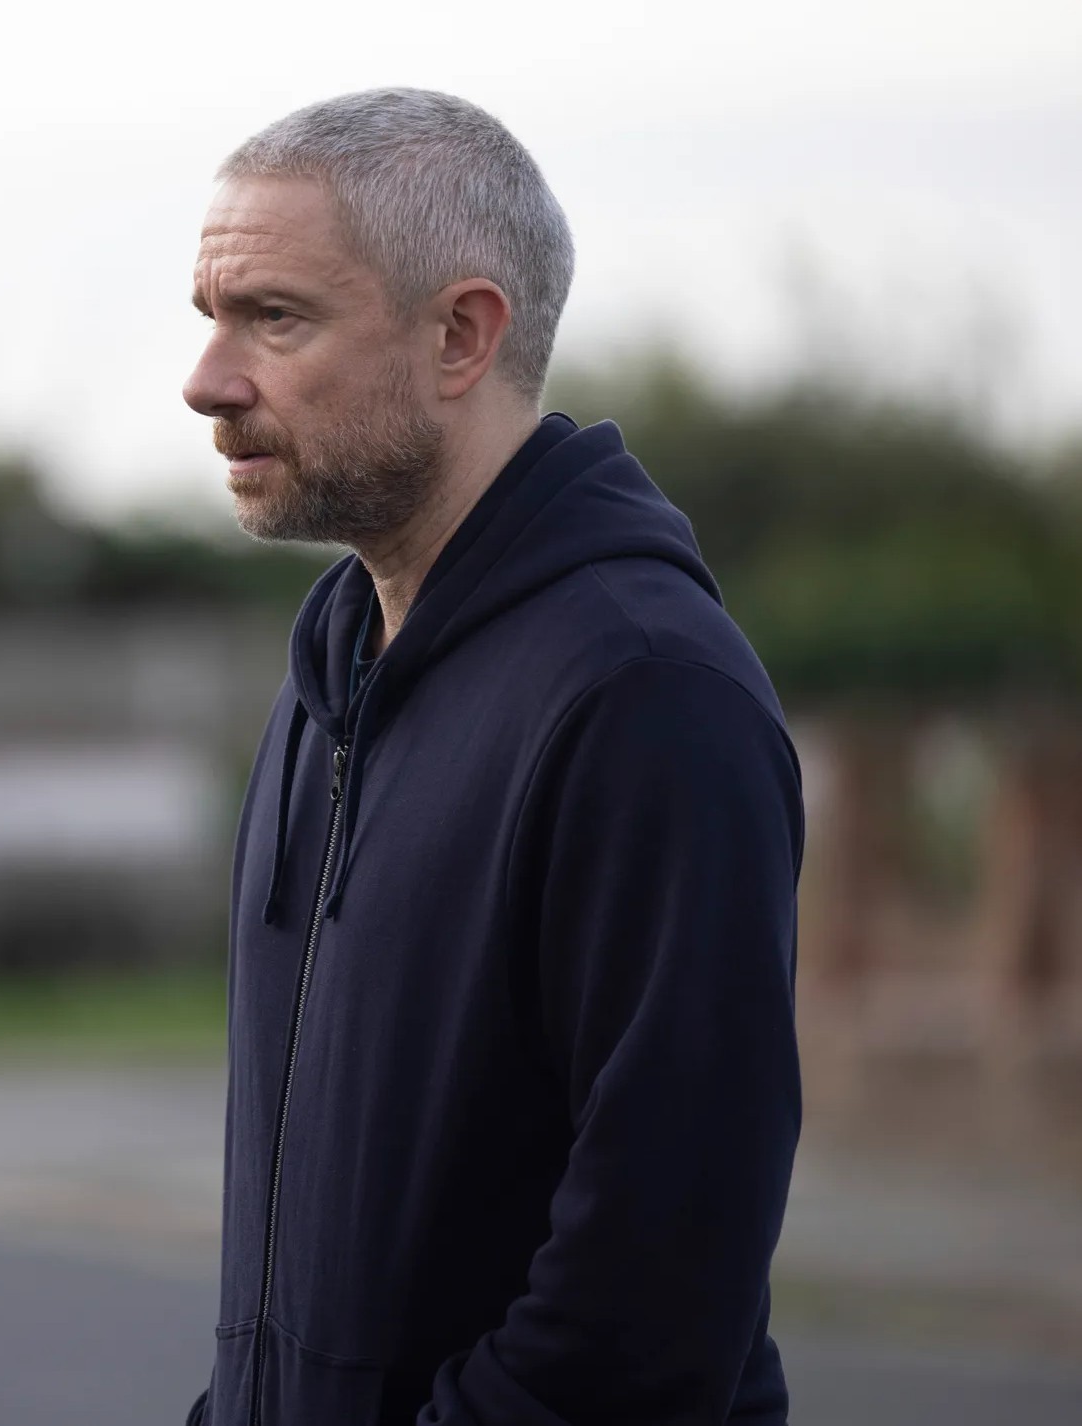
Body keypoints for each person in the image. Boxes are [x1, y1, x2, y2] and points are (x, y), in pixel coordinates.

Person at [180, 90, 801, 1425]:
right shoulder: (328, 685)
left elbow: (653, 1300)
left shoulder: (644, 693)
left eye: (275, 318)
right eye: (211, 318)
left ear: (462, 335)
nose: (208, 380)